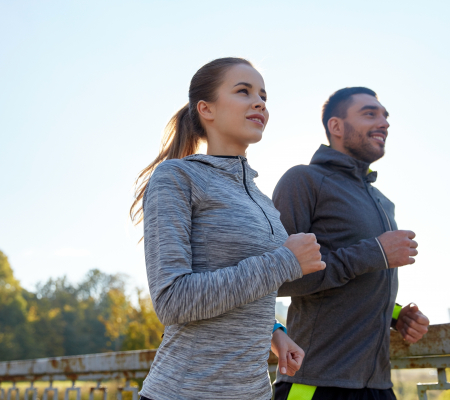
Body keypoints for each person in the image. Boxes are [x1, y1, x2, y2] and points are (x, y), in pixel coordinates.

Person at [130, 57, 326, 400]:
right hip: (183, 392)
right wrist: (285, 261)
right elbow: (173, 301)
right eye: (243, 91)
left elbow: (244, 289)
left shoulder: (262, 199)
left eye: (264, 95)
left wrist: (273, 331)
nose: (260, 102)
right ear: (206, 109)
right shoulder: (176, 178)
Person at [272, 87, 430, 400]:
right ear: (336, 126)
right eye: (370, 113)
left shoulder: (382, 202)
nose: (384, 122)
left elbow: (355, 283)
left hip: (379, 387)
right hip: (312, 385)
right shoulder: (303, 181)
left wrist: (397, 315)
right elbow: (273, 280)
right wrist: (375, 252)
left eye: (385, 115)